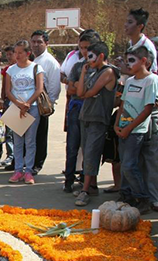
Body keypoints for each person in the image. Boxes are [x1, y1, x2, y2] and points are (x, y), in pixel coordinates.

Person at [113, 46, 158, 214]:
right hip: (123, 129)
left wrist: (130, 128)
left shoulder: (152, 80)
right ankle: (126, 195)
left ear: (144, 61)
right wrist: (117, 124)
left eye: (132, 61)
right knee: (125, 163)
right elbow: (123, 103)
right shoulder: (130, 81)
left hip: (137, 130)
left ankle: (143, 198)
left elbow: (148, 109)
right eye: (127, 61)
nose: (129, 64)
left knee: (129, 165)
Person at [74, 42, 119, 206]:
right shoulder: (92, 72)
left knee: (92, 154)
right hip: (85, 117)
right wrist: (84, 74)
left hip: (98, 119)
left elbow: (90, 93)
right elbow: (80, 93)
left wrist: (85, 88)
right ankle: (90, 185)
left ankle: (85, 190)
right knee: (87, 153)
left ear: (101, 56)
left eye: (91, 56)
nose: (88, 59)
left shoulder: (109, 72)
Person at [62, 32, 100, 193]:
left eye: (87, 48)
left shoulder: (101, 68)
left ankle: (88, 181)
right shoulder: (78, 66)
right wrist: (80, 86)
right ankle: (69, 179)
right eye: (81, 48)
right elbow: (71, 89)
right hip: (76, 108)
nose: (84, 51)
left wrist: (80, 87)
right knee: (72, 145)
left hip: (92, 111)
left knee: (89, 148)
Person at [6, 40, 44, 184]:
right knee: (17, 141)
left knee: (30, 141)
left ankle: (28, 171)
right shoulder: (11, 70)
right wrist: (18, 104)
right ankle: (17, 170)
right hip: (16, 108)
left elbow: (39, 89)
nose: (17, 55)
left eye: (20, 52)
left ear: (28, 53)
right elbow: (8, 91)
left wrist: (28, 103)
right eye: (15, 52)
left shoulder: (36, 68)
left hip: (32, 108)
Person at [31, 30, 61, 174]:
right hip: (30, 104)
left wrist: (49, 104)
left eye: (39, 42)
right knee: (30, 136)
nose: (36, 45)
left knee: (40, 136)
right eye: (34, 42)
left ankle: (38, 164)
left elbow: (55, 86)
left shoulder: (50, 62)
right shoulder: (33, 59)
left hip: (42, 105)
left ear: (46, 43)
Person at [0, 45, 15, 169]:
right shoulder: (6, 70)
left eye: (11, 54)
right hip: (7, 103)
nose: (9, 57)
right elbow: (3, 87)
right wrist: (2, 100)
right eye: (7, 54)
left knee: (14, 132)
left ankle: (14, 156)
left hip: (18, 103)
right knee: (7, 132)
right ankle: (9, 154)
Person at [123, 8, 158, 74]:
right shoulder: (130, 44)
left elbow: (152, 72)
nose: (125, 25)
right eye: (126, 21)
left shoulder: (147, 46)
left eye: (130, 22)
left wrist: (125, 70)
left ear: (140, 26)